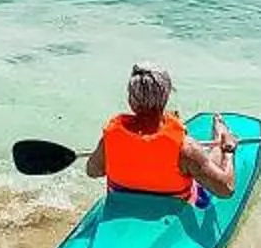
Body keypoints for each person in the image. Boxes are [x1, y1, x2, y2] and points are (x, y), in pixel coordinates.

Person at [86, 64, 240, 202]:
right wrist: (228, 151)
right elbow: (226, 190)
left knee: (197, 161)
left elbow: (92, 171)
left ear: (131, 102)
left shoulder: (111, 139)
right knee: (203, 162)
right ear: (165, 98)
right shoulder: (186, 148)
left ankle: (218, 138)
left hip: (123, 200)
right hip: (173, 204)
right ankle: (220, 140)